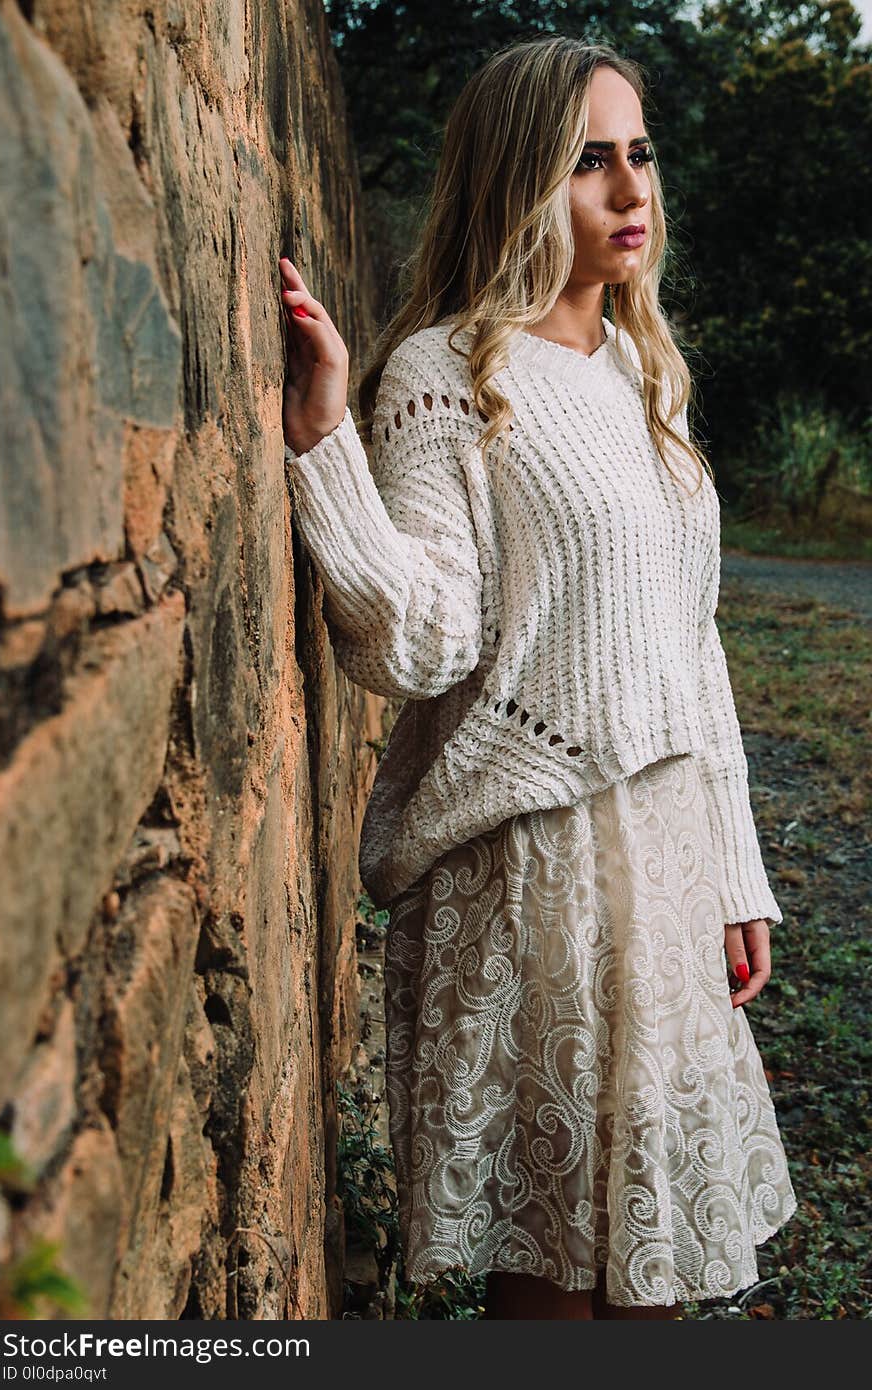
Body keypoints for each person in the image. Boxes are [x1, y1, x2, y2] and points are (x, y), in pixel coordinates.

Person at [277, 35, 796, 1320]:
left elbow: (694, 640)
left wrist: (734, 870)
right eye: (587, 162)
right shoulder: (447, 376)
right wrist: (325, 441)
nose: (632, 191)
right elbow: (419, 643)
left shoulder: (639, 373)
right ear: (515, 182)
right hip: (534, 877)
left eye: (639, 154)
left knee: (657, 1271)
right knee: (558, 1282)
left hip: (666, 866)